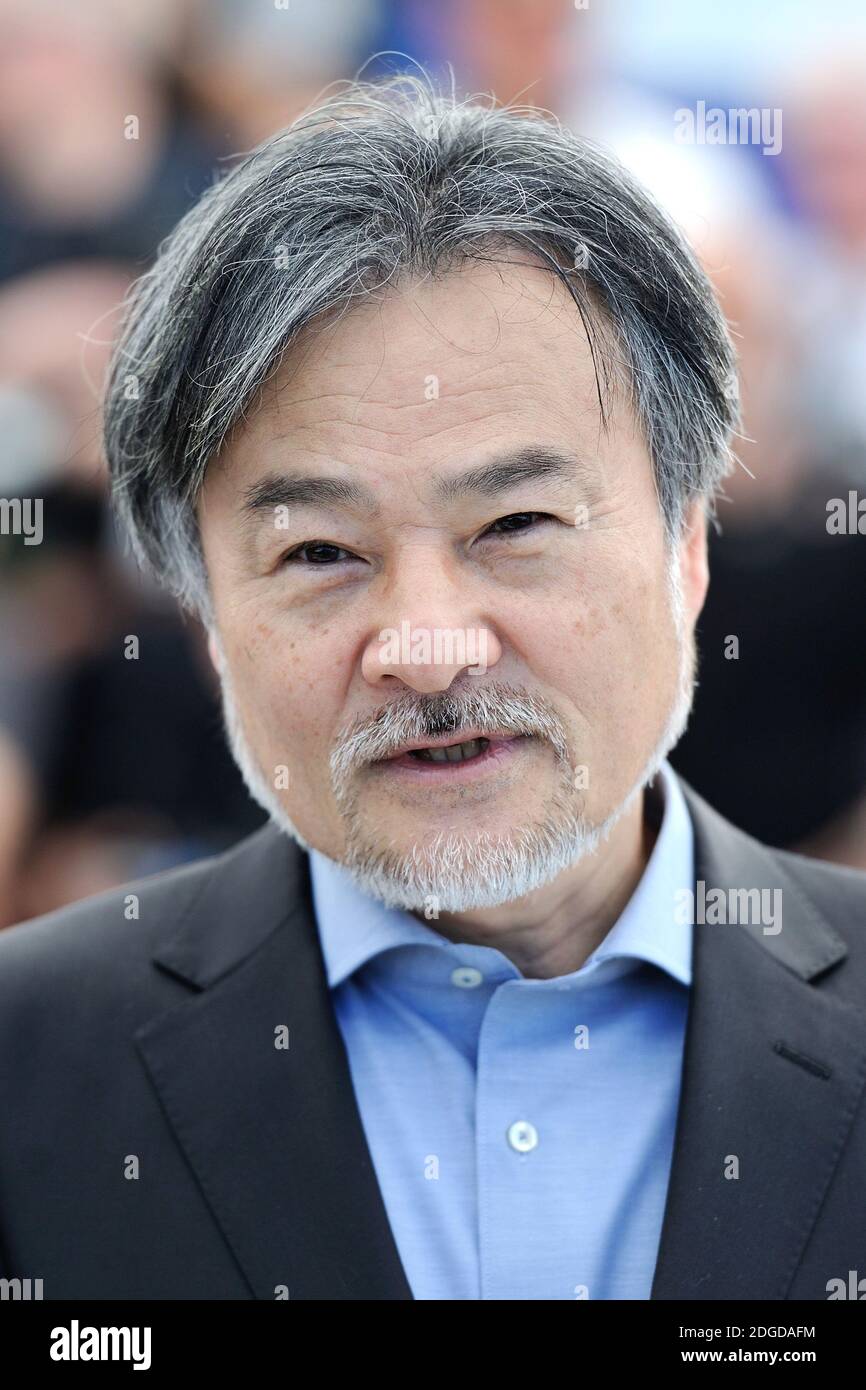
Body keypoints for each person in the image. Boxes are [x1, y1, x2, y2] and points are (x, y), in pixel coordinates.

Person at [1, 74, 864, 1302]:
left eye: (513, 522)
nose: (426, 644)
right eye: (319, 554)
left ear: (687, 545)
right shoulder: (28, 1070)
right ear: (200, 613)